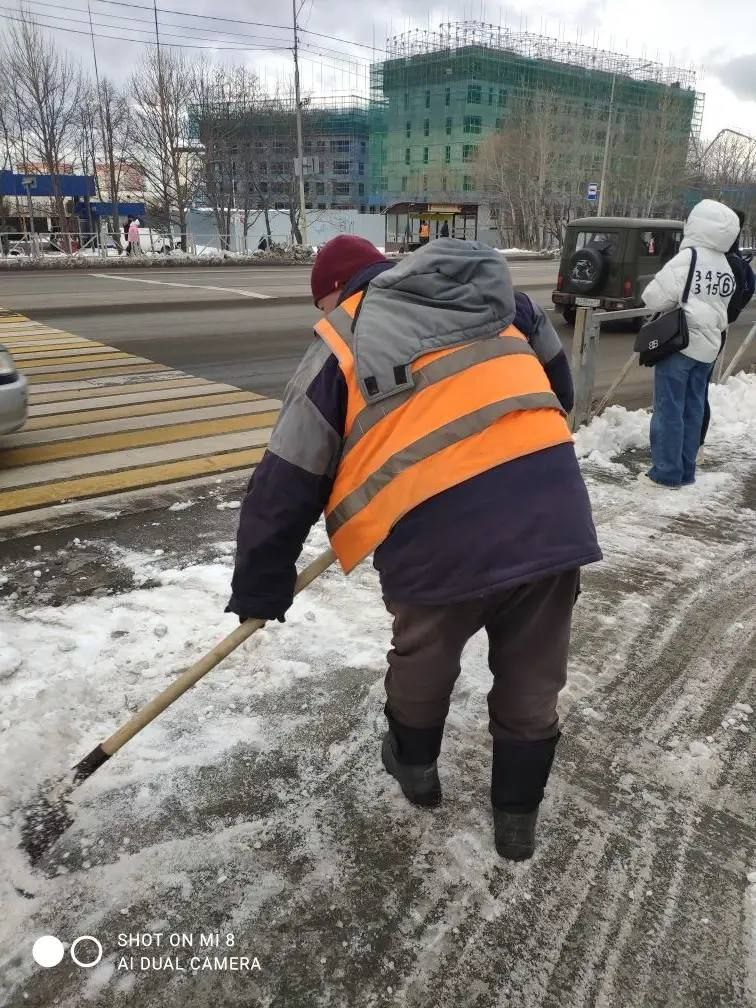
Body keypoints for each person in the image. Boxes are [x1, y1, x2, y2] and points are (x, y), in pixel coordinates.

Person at [227, 234, 601, 860]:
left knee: (422, 661)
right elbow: (555, 374)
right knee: (534, 677)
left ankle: (416, 770)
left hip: (436, 528)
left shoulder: (343, 336)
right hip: (550, 508)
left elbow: (286, 477)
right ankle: (516, 823)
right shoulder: (495, 298)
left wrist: (261, 583)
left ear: (333, 293)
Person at [641, 199, 740, 488]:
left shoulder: (689, 258)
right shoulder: (724, 265)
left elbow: (653, 297)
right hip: (709, 347)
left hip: (680, 345)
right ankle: (687, 470)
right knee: (693, 408)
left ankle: (666, 472)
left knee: (668, 409)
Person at [699, 210, 756, 448]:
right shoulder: (736, 261)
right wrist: (727, 317)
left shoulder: (717, 258)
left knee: (691, 391)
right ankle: (695, 444)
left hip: (698, 331)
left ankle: (689, 446)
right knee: (698, 389)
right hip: (715, 332)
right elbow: (748, 288)